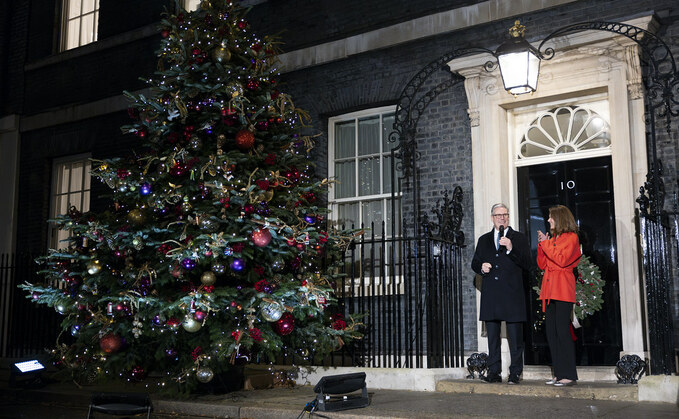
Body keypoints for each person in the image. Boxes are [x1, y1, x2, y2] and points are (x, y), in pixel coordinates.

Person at [472, 203, 531, 384]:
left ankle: (515, 373)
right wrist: (481, 267)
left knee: (515, 339)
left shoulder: (518, 238)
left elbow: (527, 263)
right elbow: (475, 263)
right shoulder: (484, 240)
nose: (502, 218)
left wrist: (511, 248)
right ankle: (494, 372)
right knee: (493, 338)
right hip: (492, 295)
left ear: (508, 217)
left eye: (505, 215)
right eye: (498, 215)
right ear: (492, 218)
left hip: (512, 294)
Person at [537, 205, 582, 387]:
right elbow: (542, 264)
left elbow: (562, 260)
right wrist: (543, 244)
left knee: (562, 332)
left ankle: (569, 374)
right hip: (549, 289)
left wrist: (546, 244)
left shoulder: (571, 238)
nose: (548, 220)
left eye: (550, 217)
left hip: (562, 289)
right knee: (552, 333)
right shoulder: (554, 238)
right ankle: (558, 373)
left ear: (559, 218)